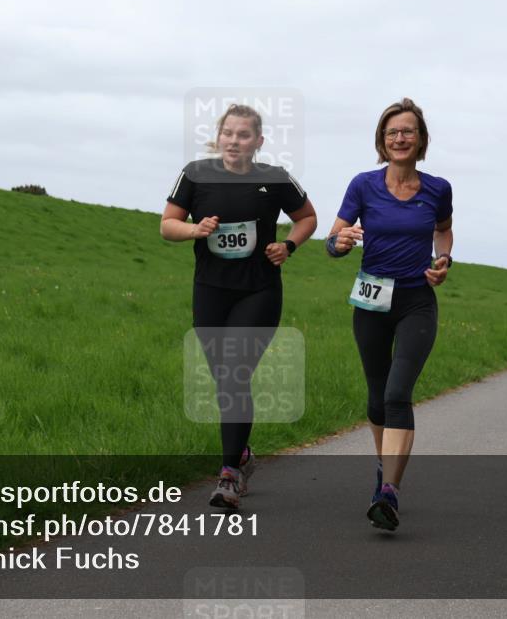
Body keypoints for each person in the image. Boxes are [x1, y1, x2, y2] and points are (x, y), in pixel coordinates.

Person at [160, 103, 317, 509]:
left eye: (244, 135)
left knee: (233, 373)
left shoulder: (275, 178)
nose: (234, 141)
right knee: (223, 380)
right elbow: (167, 225)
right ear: (219, 136)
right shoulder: (195, 174)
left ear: (258, 141)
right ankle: (242, 454)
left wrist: (288, 245)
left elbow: (308, 217)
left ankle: (229, 474)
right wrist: (195, 229)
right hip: (210, 290)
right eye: (228, 133)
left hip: (259, 290)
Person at [326, 98, 452, 531]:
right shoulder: (363, 185)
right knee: (377, 397)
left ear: (421, 140)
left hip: (416, 301)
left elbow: (443, 230)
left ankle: (389, 493)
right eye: (392, 132)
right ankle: (385, 467)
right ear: (382, 140)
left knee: (398, 393)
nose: (400, 138)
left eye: (408, 131)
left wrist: (443, 260)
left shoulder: (438, 188)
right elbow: (334, 236)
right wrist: (339, 245)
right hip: (371, 301)